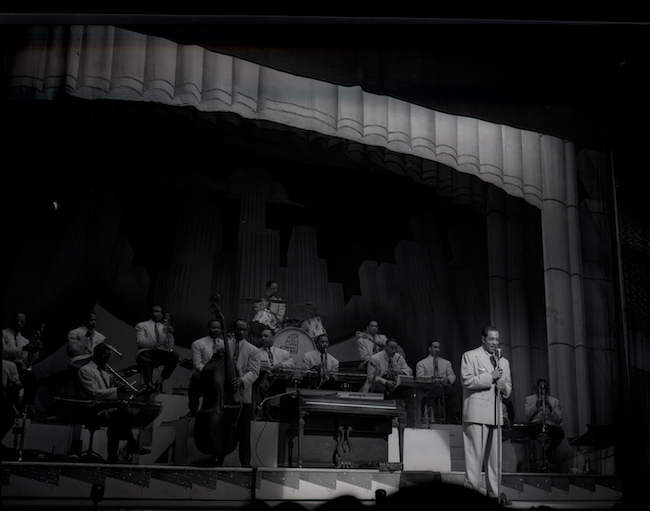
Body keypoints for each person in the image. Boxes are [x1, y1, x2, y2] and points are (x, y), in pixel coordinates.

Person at [460, 325, 512, 500]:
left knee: (495, 460)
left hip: (496, 414)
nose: (495, 343)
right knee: (475, 458)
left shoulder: (503, 361)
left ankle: (494, 494)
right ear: (483, 339)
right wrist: (490, 377)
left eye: (497, 339)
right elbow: (467, 381)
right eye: (491, 339)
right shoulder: (470, 356)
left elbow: (509, 387)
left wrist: (505, 388)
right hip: (476, 413)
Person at [77, 344, 151, 463]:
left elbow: (106, 392)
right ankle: (131, 445)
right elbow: (94, 393)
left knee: (119, 417)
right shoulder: (85, 370)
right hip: (91, 408)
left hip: (105, 407)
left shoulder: (105, 373)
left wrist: (120, 391)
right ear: (97, 355)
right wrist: (116, 391)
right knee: (121, 416)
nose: (107, 361)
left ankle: (114, 456)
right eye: (105, 357)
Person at [211, 319, 261, 467]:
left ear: (247, 331)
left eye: (244, 330)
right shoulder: (223, 345)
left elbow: (253, 372)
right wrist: (218, 353)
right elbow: (216, 364)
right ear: (233, 330)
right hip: (224, 394)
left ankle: (245, 462)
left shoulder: (253, 350)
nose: (241, 332)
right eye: (238, 329)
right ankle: (217, 458)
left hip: (242, 394)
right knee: (221, 428)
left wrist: (242, 380)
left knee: (244, 431)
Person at [134, 305, 180, 392]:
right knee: (145, 357)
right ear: (151, 313)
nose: (160, 314)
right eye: (157, 312)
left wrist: (170, 336)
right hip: (146, 351)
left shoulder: (164, 327)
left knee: (175, 356)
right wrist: (157, 344)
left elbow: (169, 345)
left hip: (160, 353)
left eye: (161, 312)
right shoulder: (141, 325)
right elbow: (141, 342)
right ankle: (149, 384)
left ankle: (161, 380)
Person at [2, 312, 41, 411]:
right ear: (11, 321)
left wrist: (35, 350)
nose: (19, 323)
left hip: (18, 368)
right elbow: (3, 351)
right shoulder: (3, 333)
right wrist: (23, 348)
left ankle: (26, 407)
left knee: (32, 378)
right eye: (17, 321)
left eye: (22, 322)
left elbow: (28, 361)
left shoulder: (25, 340)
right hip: (4, 366)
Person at [415, 340, 461, 424]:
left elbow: (452, 375)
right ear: (429, 348)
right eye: (435, 347)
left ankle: (454, 416)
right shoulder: (422, 363)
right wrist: (432, 378)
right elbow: (419, 377)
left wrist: (446, 380)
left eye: (438, 347)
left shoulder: (446, 363)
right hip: (428, 390)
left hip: (442, 388)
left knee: (453, 392)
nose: (437, 349)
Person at [187, 318, 225, 416]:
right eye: (214, 328)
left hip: (220, 374)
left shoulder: (224, 344)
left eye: (219, 328)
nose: (217, 330)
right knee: (195, 378)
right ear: (208, 329)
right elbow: (197, 363)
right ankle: (193, 407)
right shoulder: (198, 343)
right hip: (204, 373)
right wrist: (210, 372)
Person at [254, 328, 295, 419]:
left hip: (279, 380)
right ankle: (266, 413)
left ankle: (283, 415)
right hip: (264, 380)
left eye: (266, 336)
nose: (263, 338)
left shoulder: (283, 353)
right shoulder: (256, 352)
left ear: (273, 338)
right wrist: (264, 368)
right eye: (262, 336)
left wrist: (280, 365)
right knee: (261, 386)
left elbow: (291, 364)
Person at [524, 378, 565, 466]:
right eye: (541, 388)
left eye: (545, 388)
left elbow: (559, 419)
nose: (543, 390)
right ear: (537, 387)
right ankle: (529, 460)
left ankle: (548, 452)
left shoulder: (554, 401)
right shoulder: (530, 399)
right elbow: (527, 416)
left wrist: (550, 409)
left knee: (560, 433)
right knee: (525, 433)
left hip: (549, 426)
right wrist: (536, 406)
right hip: (535, 426)